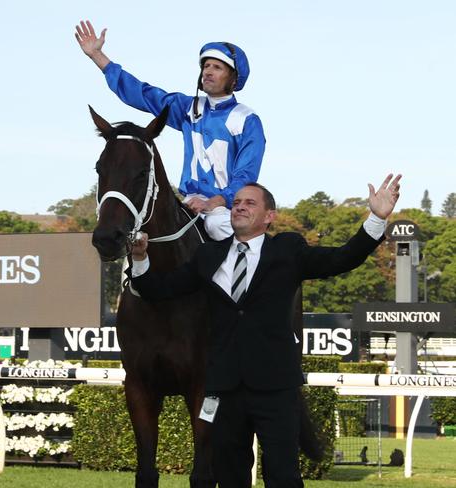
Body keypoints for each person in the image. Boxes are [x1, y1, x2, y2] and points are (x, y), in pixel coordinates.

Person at [129, 174, 402, 487]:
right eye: (236, 203)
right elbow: (157, 289)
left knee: (283, 477)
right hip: (224, 391)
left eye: (249, 203)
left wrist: (377, 218)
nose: (239, 208)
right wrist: (139, 258)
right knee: (230, 476)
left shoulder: (288, 250)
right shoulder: (207, 256)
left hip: (276, 390)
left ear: (269, 216)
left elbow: (343, 258)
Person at [75, 20, 266, 240]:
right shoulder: (188, 107)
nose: (208, 72)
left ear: (234, 79)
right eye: (206, 66)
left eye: (217, 67)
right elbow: (142, 93)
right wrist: (98, 57)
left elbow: (246, 175)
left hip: (224, 208)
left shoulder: (247, 120)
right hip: (187, 202)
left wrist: (214, 202)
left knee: (218, 227)